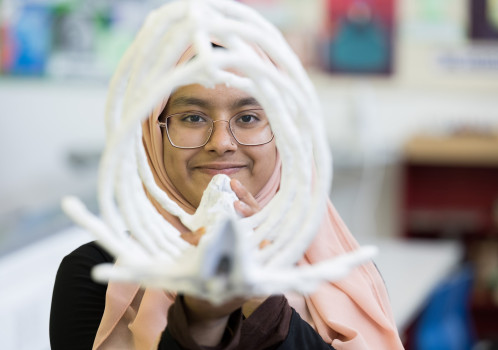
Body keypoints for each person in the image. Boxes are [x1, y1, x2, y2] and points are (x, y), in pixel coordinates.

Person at [50, 5, 404, 350]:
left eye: (248, 118)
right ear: (154, 134)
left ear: (285, 133)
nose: (221, 144)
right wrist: (200, 322)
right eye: (192, 118)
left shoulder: (342, 275)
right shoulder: (97, 273)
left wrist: (261, 303)